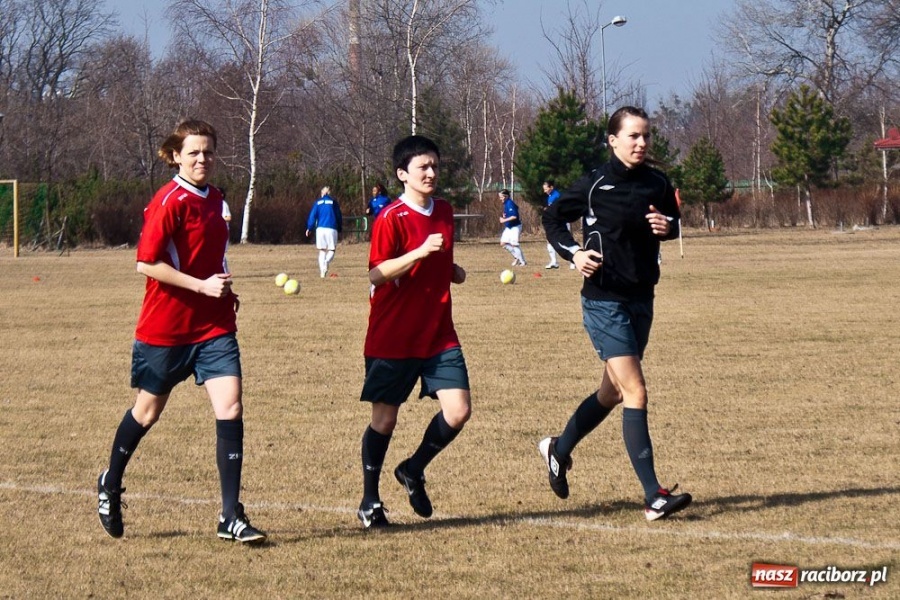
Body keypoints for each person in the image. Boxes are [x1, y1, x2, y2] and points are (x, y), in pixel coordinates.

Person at [96, 119, 266, 544]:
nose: (202, 159)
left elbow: (212, 255)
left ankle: (230, 515)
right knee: (147, 411)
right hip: (167, 327)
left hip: (214, 326)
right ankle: (110, 481)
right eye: (193, 152)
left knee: (230, 408)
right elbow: (146, 263)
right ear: (175, 155)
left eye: (208, 151)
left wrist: (224, 286)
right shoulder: (168, 201)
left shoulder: (217, 199)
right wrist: (200, 285)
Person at [538, 106, 691, 522]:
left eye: (646, 136)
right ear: (613, 140)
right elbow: (551, 217)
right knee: (635, 391)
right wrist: (574, 253)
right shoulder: (592, 184)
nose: (641, 143)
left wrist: (667, 226)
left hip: (643, 298)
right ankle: (653, 495)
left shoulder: (658, 181)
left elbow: (673, 221)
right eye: (633, 136)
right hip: (603, 301)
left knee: (611, 393)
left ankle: (558, 449)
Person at [356, 135, 472, 529]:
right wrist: (419, 252)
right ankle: (370, 502)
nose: (431, 173)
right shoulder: (391, 216)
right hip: (393, 336)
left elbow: (440, 263)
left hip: (439, 333)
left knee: (458, 411)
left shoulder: (444, 210)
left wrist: (452, 272)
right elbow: (376, 272)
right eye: (422, 167)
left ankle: (412, 468)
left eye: (435, 166)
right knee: (384, 421)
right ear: (402, 174)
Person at [306, 186, 343, 278]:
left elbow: (312, 215)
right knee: (331, 250)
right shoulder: (333, 202)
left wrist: (309, 228)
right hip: (332, 228)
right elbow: (338, 215)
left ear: (322, 193)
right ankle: (326, 262)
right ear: (330, 193)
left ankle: (322, 272)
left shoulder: (318, 202)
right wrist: (340, 227)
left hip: (320, 229)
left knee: (322, 250)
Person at [498, 189, 526, 267]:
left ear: (506, 196)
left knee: (514, 244)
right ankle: (517, 257)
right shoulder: (506, 203)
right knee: (503, 243)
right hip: (509, 227)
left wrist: (504, 220)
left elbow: (514, 216)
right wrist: (505, 216)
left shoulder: (510, 203)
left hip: (515, 226)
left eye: (501, 197)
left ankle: (522, 262)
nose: (500, 199)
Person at [542, 180, 561, 269]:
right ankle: (554, 262)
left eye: (546, 189)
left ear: (551, 187)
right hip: (554, 221)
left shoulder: (556, 196)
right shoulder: (550, 196)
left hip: (560, 221)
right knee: (549, 240)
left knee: (564, 241)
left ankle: (573, 262)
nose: (544, 191)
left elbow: (558, 208)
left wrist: (548, 209)